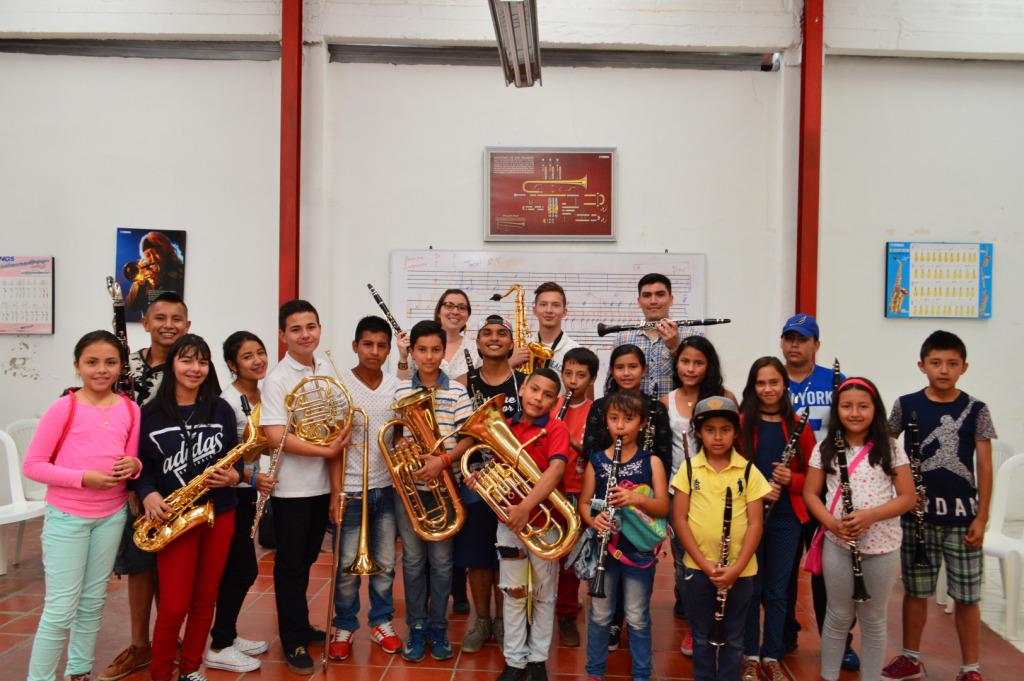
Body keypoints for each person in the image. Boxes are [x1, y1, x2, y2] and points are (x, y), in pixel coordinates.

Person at [22, 330, 142, 681]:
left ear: (121, 366)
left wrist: (135, 466)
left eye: (110, 362)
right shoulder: (64, 407)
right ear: (77, 366)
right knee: (61, 609)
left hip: (111, 515)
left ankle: (79, 671)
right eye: (92, 362)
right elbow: (33, 466)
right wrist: (83, 478)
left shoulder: (130, 409)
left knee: (92, 602)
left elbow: (132, 459)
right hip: (67, 517)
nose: (101, 370)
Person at [882, 331, 996, 681]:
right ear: (922, 366)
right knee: (915, 592)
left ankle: (970, 667)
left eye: (951, 363)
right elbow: (886, 449)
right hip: (918, 519)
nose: (943, 370)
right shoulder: (906, 404)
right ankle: (910, 658)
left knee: (967, 596)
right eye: (935, 363)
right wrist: (898, 496)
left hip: (963, 520)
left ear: (964, 367)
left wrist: (982, 517)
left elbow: (984, 465)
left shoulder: (976, 409)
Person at [132, 334, 243, 681]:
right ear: (172, 365)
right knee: (174, 605)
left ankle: (191, 669)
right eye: (186, 360)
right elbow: (140, 466)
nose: (195, 368)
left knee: (206, 599)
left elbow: (234, 459)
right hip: (173, 518)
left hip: (219, 512)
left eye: (202, 361)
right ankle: (161, 673)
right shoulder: (150, 415)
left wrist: (234, 476)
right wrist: (147, 493)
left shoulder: (220, 409)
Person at [100, 291, 190, 681]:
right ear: (146, 323)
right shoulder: (126, 364)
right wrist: (136, 485)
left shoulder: (192, 364)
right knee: (140, 564)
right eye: (160, 318)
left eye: (176, 318)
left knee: (175, 566)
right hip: (132, 478)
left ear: (187, 325)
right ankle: (140, 645)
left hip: (178, 478)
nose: (168, 325)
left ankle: (171, 640)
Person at [803, 377, 916, 681]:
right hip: (838, 545)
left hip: (882, 547)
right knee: (837, 615)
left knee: (874, 619)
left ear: (875, 409)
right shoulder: (825, 448)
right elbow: (810, 494)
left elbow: (908, 497)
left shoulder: (890, 448)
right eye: (847, 406)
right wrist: (832, 524)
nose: (854, 413)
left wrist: (870, 516)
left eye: (863, 406)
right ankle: (829, 675)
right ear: (836, 410)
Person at [260, 300, 352, 675]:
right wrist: (325, 449)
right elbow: (275, 436)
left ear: (319, 329)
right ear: (283, 335)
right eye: (296, 329)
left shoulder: (326, 367)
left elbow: (337, 426)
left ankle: (299, 623)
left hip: (321, 486)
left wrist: (336, 490)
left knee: (309, 558)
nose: (305, 335)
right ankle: (293, 639)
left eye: (310, 327)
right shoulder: (278, 379)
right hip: (292, 489)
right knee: (291, 566)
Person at [469, 368, 569, 681]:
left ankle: (538, 660)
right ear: (523, 388)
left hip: (545, 525)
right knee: (513, 593)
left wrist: (526, 506)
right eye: (534, 389)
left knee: (544, 595)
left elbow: (555, 471)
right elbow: (500, 473)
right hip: (509, 523)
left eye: (548, 395)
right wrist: (482, 480)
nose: (538, 398)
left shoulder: (556, 428)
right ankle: (514, 661)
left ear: (555, 401)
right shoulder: (504, 426)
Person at [670, 396, 771, 681]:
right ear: (698, 433)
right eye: (710, 430)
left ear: (735, 433)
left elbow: (755, 524)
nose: (717, 437)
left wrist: (736, 568)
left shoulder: (748, 471)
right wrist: (704, 564)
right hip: (698, 568)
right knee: (701, 636)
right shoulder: (689, 469)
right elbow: (680, 519)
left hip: (740, 571)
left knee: (734, 638)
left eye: (725, 430)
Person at [393, 320, 474, 663]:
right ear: (411, 352)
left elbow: (468, 437)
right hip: (410, 490)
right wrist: (402, 446)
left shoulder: (457, 391)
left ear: (444, 352)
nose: (428, 356)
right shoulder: (399, 391)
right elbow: (395, 436)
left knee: (442, 563)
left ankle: (439, 627)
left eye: (435, 350)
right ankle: (416, 626)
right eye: (422, 350)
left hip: (446, 486)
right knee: (413, 562)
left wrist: (443, 460)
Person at [583, 343, 672, 650]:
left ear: (644, 370)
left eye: (633, 366)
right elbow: (591, 450)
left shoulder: (655, 409)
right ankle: (610, 628)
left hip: (641, 497)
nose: (626, 372)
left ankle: (636, 654)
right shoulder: (600, 407)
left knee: (636, 593)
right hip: (606, 495)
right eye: (620, 367)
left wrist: (642, 489)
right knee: (606, 587)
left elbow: (662, 454)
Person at [326, 316, 404, 661]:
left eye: (381, 346)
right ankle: (344, 625)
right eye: (368, 344)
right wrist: (336, 493)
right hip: (351, 491)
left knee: (385, 564)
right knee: (346, 568)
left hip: (386, 490)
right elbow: (333, 446)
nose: (374, 351)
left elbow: (399, 436)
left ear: (389, 350)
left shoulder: (396, 387)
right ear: (355, 346)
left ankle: (381, 622)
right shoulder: (339, 385)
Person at [778, 312, 853, 664]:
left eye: (802, 339)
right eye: (789, 338)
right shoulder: (772, 380)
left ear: (816, 345)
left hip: (828, 489)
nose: (795, 345)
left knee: (831, 571)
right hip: (786, 488)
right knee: (783, 568)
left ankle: (838, 640)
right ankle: (783, 632)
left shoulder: (837, 381)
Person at [738, 357, 815, 681]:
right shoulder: (741, 422)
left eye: (774, 382)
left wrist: (791, 479)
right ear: (752, 386)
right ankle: (749, 655)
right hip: (749, 516)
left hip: (786, 517)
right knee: (750, 588)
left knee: (778, 590)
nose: (767, 389)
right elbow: (728, 470)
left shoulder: (799, 425)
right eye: (761, 383)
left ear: (784, 385)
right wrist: (757, 488)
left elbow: (814, 476)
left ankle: (772, 654)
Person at [204, 331, 273, 672]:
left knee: (239, 567)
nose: (257, 360)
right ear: (232, 364)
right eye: (247, 356)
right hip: (231, 493)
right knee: (242, 569)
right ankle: (219, 644)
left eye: (260, 352)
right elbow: (221, 457)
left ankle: (228, 634)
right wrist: (253, 478)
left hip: (247, 493)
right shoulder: (226, 402)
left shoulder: (264, 393)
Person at [458, 315, 525, 653]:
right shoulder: (462, 382)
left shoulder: (526, 383)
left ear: (512, 344)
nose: (494, 338)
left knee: (508, 556)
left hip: (516, 484)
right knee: (478, 557)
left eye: (502, 334)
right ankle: (482, 619)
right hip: (476, 482)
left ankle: (504, 621)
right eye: (487, 333)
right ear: (478, 342)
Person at [661, 335, 735, 637]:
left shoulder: (724, 398)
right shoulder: (666, 401)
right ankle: (694, 619)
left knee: (716, 551)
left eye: (698, 363)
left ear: (709, 366)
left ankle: (714, 611)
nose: (690, 369)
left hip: (716, 491)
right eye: (685, 361)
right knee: (684, 558)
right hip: (677, 491)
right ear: (676, 363)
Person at [550, 346, 599, 647]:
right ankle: (543, 606)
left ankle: (567, 614)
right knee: (547, 552)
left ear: (591, 380)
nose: (572, 381)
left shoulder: (596, 411)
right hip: (549, 489)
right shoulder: (551, 405)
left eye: (580, 376)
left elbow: (596, 455)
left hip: (578, 490)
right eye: (568, 374)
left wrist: (569, 441)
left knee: (570, 557)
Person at [613, 273, 686, 399]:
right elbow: (612, 384)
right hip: (633, 410)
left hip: (676, 410)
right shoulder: (623, 338)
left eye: (660, 294)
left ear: (671, 299)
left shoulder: (691, 335)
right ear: (639, 302)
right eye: (647, 295)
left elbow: (699, 379)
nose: (653, 301)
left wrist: (676, 349)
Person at [398, 288, 474, 382]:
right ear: (438, 312)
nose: (455, 312)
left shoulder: (476, 349)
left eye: (462, 307)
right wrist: (403, 358)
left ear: (468, 315)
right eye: (449, 305)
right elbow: (402, 384)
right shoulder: (419, 343)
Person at [530, 281, 580, 376]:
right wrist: (510, 364)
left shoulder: (576, 351)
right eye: (543, 304)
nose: (549, 310)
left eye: (555, 305)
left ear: (564, 312)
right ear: (534, 310)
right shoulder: (522, 346)